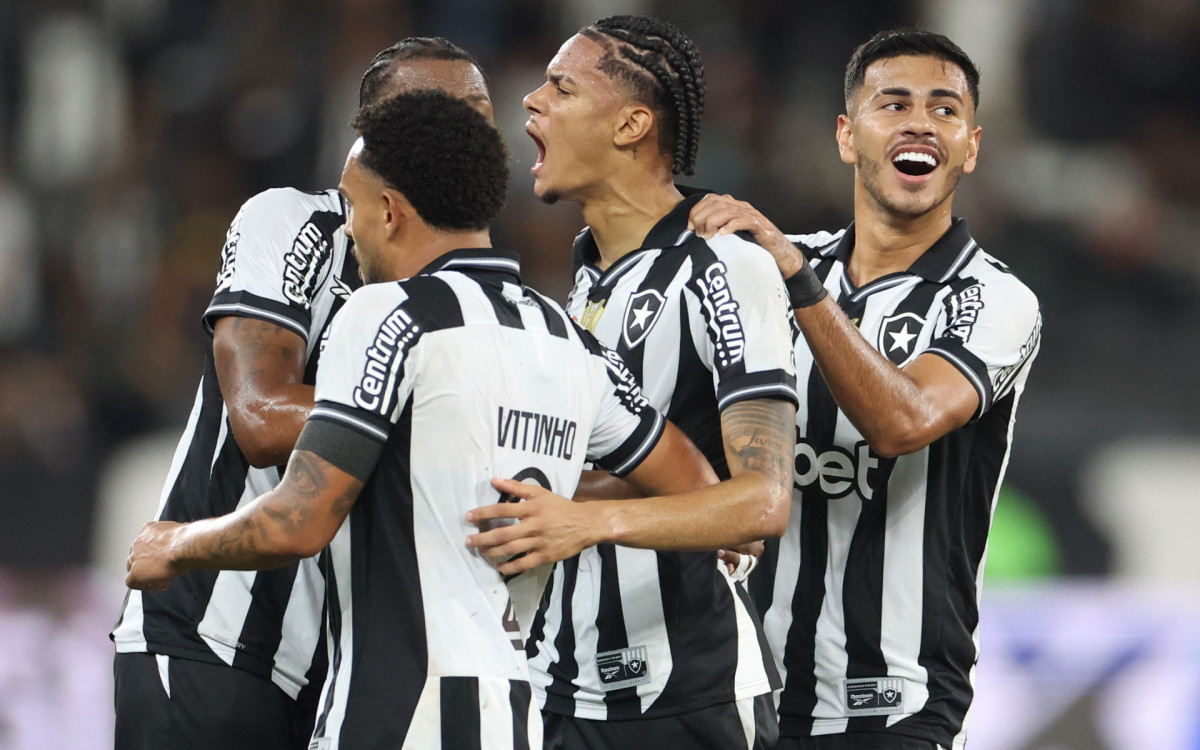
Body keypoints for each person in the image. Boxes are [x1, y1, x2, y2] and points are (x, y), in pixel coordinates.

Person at [126, 89, 728, 750]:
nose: (348, 229)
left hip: (395, 712)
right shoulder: (565, 338)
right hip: (513, 713)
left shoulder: (384, 314)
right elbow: (699, 487)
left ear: (390, 212)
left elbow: (300, 519)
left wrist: (176, 546)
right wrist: (584, 522)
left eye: (353, 206)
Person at [110, 38, 495, 750]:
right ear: (369, 134)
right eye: (437, 110)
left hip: (344, 678)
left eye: (478, 111)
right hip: (212, 638)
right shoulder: (293, 224)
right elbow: (258, 415)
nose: (463, 129)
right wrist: (460, 425)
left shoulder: (486, 294)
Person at [688, 29, 1043, 750]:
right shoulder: (765, 273)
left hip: (894, 706)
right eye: (894, 104)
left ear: (971, 147)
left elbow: (904, 421)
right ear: (848, 137)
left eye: (945, 110)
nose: (921, 123)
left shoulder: (994, 299)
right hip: (743, 694)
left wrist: (796, 280)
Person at [484, 15, 799, 750]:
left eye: (562, 88)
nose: (531, 101)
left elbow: (764, 500)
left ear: (631, 124)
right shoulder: (582, 285)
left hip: (690, 695)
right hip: (567, 691)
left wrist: (585, 520)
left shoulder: (723, 263)